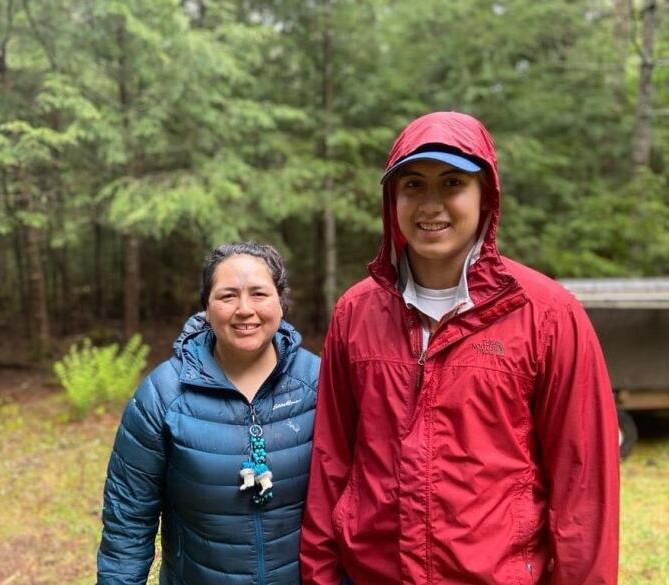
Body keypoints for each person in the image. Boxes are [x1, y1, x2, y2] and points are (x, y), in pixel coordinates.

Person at [300, 111, 619, 584]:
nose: (430, 205)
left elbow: (583, 484)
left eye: (451, 184)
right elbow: (331, 464)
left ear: (485, 195)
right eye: (413, 185)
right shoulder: (355, 313)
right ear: (393, 199)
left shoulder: (547, 315)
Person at [98, 241, 320, 585]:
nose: (244, 309)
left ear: (280, 301)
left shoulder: (321, 383)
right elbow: (128, 520)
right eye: (228, 295)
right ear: (206, 306)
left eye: (259, 294)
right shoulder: (163, 395)